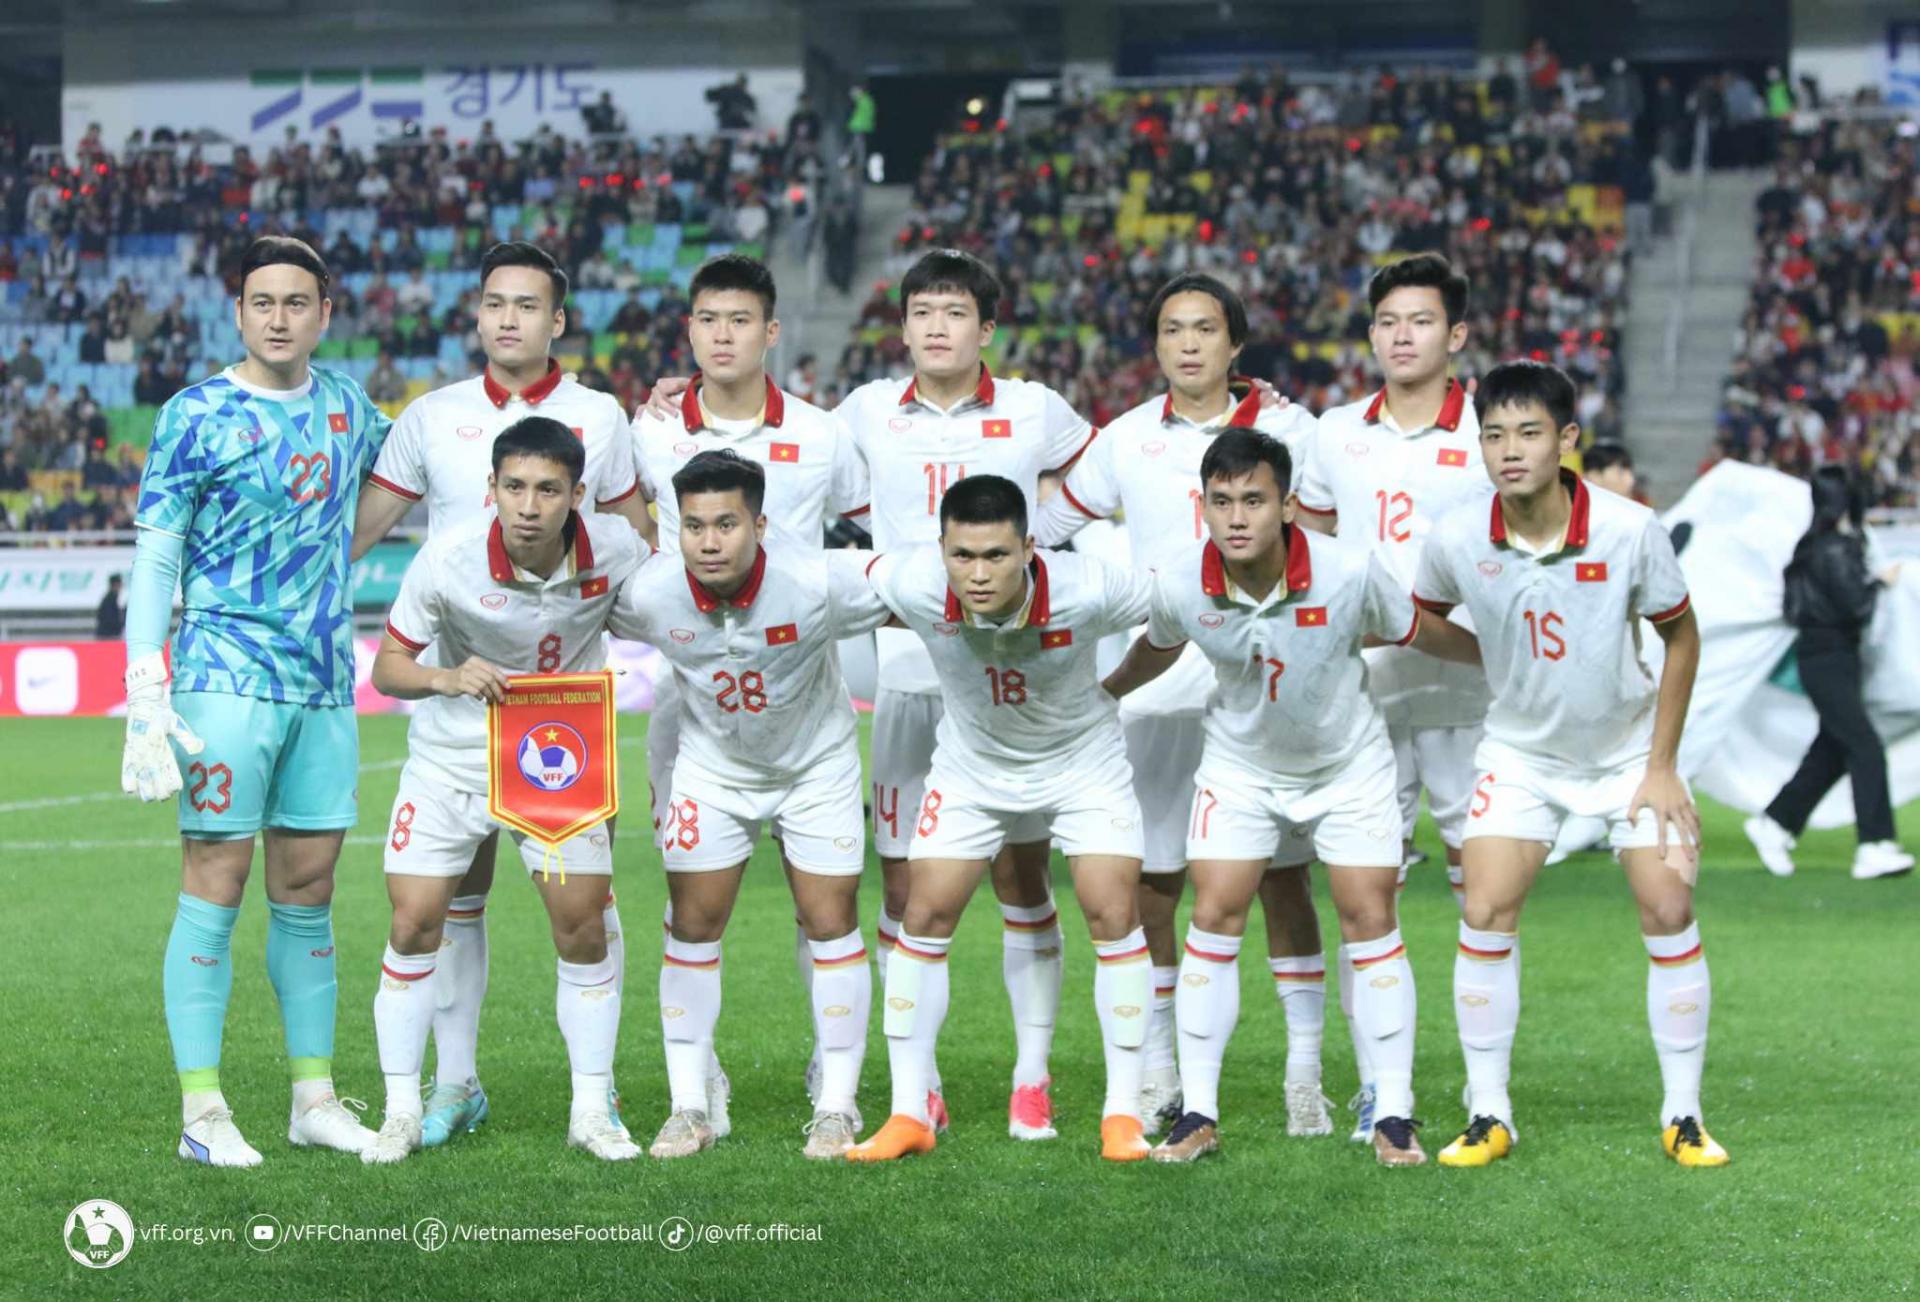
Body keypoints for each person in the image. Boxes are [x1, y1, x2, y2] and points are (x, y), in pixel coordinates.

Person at [1105, 429, 1481, 1166]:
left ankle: (1394, 1113)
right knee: (1213, 915)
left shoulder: (1348, 571)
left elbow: (1416, 629)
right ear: (1202, 507)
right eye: (1222, 502)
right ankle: (1199, 1114)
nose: (1237, 517)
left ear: (1286, 506)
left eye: (1254, 500)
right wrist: (1106, 693)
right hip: (1240, 769)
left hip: (1349, 768)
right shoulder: (1180, 583)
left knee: (1370, 918)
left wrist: (1497, 656)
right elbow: (1157, 645)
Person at [349, 240, 649, 1152]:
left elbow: (637, 549)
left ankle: (594, 1099)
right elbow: (357, 533)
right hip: (457, 699)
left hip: (557, 720)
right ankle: (451, 1085)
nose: (508, 318)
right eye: (493, 303)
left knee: (581, 913)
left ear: (558, 320)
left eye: (527, 304)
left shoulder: (600, 416)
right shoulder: (431, 417)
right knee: (444, 907)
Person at [1034, 273, 1330, 1138]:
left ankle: (1304, 1075)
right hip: (1157, 683)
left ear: (1236, 344)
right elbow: (1045, 529)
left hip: (1267, 685)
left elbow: (1331, 538)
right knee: (1155, 877)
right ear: (1156, 344)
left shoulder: (1294, 430)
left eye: (1205, 329)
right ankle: (1160, 1068)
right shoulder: (1126, 438)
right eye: (1172, 329)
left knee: (1283, 878)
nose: (1189, 344)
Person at [1411, 360, 1726, 1169]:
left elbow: (1682, 637)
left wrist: (1662, 765)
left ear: (1567, 440)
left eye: (1529, 433)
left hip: (1629, 754)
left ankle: (1684, 1115)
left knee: (1669, 906)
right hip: (1520, 754)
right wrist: (1489, 656)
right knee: (1485, 909)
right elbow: (1421, 617)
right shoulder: (1456, 535)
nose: (1510, 450)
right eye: (1494, 435)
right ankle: (1489, 1113)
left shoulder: (1629, 529)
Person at [120, 235, 390, 1166]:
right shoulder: (195, 414)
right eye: (262, 302)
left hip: (322, 681)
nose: (279, 318)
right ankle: (202, 1113)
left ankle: (313, 1099)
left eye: (296, 302)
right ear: (238, 312)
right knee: (217, 881)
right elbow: (158, 550)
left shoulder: (350, 408)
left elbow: (419, 470)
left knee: (310, 888)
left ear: (325, 314)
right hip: (223, 677)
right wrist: (145, 680)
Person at [846, 474, 1157, 1164]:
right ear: (941, 551)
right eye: (962, 556)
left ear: (1029, 549)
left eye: (996, 555)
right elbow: (825, 586)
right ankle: (909, 1111)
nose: (978, 574)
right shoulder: (911, 581)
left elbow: (1173, 616)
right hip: (973, 768)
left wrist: (1115, 689)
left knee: (1112, 911)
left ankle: (1120, 1114)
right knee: (923, 915)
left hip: (1082, 762)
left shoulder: (1090, 586)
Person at [628, 255, 868, 1132]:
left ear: (771, 332)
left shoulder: (824, 433)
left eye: (739, 320)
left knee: (823, 907)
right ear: (689, 330)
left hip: (803, 694)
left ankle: (832, 1072)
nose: (722, 335)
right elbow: (625, 530)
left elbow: (871, 533)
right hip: (694, 701)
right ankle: (699, 1087)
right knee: (691, 909)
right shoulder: (649, 429)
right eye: (707, 319)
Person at [610, 450, 891, 1161]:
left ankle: (836, 1107)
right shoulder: (650, 593)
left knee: (830, 923)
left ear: (760, 525)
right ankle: (690, 1106)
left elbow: (919, 588)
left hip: (816, 768)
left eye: (727, 524)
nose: (709, 541)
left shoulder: (819, 580)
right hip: (713, 770)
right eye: (694, 526)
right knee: (691, 926)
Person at [1294, 251, 1491, 1140]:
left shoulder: (1493, 427)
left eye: (1421, 321)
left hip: (1469, 693)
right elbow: (1313, 544)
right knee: (1365, 896)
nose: (1402, 336)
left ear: (1456, 334)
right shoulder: (1336, 432)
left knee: (1484, 898)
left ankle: (1487, 1090)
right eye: (1387, 322)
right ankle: (1383, 1087)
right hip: (1364, 697)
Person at [1744, 467, 1912, 881]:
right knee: (1865, 747)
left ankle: (1776, 823)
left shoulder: (1811, 547)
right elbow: (1856, 606)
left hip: (1824, 657)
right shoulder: (1836, 548)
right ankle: (1874, 844)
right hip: (1832, 657)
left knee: (1832, 751)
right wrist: (1880, 582)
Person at [96, 573, 126, 638]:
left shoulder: (112, 598)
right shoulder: (109, 600)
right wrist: (120, 624)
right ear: (115, 585)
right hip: (107, 636)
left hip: (108, 634)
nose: (121, 587)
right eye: (120, 584)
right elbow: (109, 619)